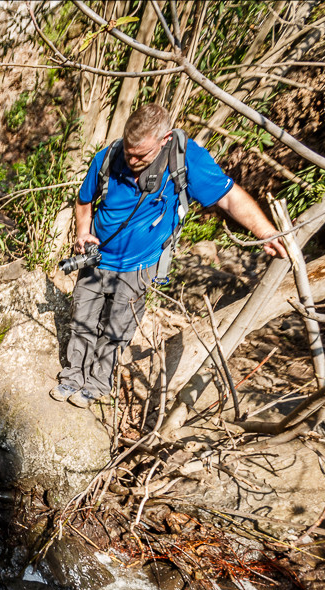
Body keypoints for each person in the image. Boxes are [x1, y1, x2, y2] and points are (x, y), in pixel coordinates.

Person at [53, 103, 288, 408]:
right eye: (129, 152)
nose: (132, 161)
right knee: (82, 318)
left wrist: (266, 232)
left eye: (141, 156)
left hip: (140, 265)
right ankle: (73, 376)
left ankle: (97, 383)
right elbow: (84, 200)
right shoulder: (109, 157)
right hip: (97, 258)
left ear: (164, 140)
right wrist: (82, 233)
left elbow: (229, 198)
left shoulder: (186, 159)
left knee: (118, 328)